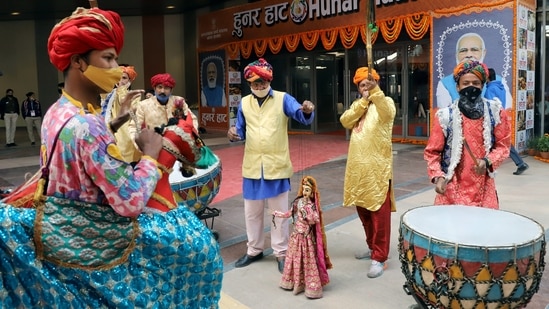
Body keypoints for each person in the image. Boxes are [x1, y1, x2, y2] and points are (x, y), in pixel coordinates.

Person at [0, 7, 222, 307]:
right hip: (92, 235)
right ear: (78, 62)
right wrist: (151, 156)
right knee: (195, 249)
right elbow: (130, 201)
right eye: (107, 58)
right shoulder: (88, 126)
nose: (117, 68)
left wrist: (116, 122)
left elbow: (80, 139)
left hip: (57, 220)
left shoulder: (57, 111)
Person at [227, 58, 315, 273]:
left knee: (279, 213)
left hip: (276, 166)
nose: (259, 87)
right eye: (255, 84)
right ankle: (254, 250)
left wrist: (306, 109)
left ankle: (281, 252)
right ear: (249, 84)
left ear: (269, 81)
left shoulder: (283, 99)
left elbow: (301, 115)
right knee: (252, 213)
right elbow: (240, 131)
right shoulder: (244, 103)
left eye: (263, 83)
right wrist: (233, 134)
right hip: (253, 167)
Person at [425, 60, 511, 210]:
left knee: (483, 230)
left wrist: (487, 161)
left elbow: (503, 146)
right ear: (457, 87)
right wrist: (438, 177)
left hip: (484, 188)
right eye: (466, 83)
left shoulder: (495, 112)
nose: (471, 87)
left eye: (476, 83)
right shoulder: (445, 116)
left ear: (482, 86)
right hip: (452, 188)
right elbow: (432, 152)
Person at [339, 67, 396, 279]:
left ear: (377, 84)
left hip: (378, 171)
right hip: (357, 170)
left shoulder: (385, 102)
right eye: (362, 85)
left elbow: (388, 114)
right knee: (364, 214)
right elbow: (345, 121)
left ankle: (380, 258)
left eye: (369, 84)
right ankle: (372, 248)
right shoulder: (358, 105)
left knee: (379, 217)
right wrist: (363, 102)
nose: (365, 88)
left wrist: (375, 93)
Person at [272, 176, 332, 299]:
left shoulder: (311, 207)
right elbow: (290, 213)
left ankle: (310, 285)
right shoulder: (298, 202)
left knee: (307, 260)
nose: (305, 193)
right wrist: (279, 214)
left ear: (312, 192)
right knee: (294, 258)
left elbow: (315, 220)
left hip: (306, 238)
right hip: (296, 236)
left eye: (308, 190)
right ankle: (294, 282)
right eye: (304, 189)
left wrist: (306, 214)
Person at [436, 32, 512, 109]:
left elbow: (507, 110)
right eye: (463, 50)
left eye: (474, 50)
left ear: (483, 53)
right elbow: (445, 115)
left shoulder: (499, 81)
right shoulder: (444, 84)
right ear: (456, 55)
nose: (469, 54)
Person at [485, 68, 529, 175]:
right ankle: (520, 163)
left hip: (494, 121)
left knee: (493, 142)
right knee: (504, 143)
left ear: (487, 77)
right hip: (501, 118)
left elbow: (490, 107)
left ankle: (489, 166)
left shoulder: (490, 90)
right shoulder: (501, 88)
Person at [128, 73, 198, 140]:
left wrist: (192, 137)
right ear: (155, 88)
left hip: (178, 143)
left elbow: (192, 120)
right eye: (160, 87)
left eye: (166, 88)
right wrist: (140, 145)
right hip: (154, 144)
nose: (162, 91)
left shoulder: (179, 101)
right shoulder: (143, 105)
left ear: (171, 90)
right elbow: (134, 127)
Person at [102, 65, 141, 162]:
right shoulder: (108, 94)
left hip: (126, 134)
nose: (120, 80)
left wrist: (121, 89)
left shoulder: (134, 95)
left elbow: (124, 102)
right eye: (118, 77)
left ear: (130, 81)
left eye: (124, 78)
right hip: (110, 131)